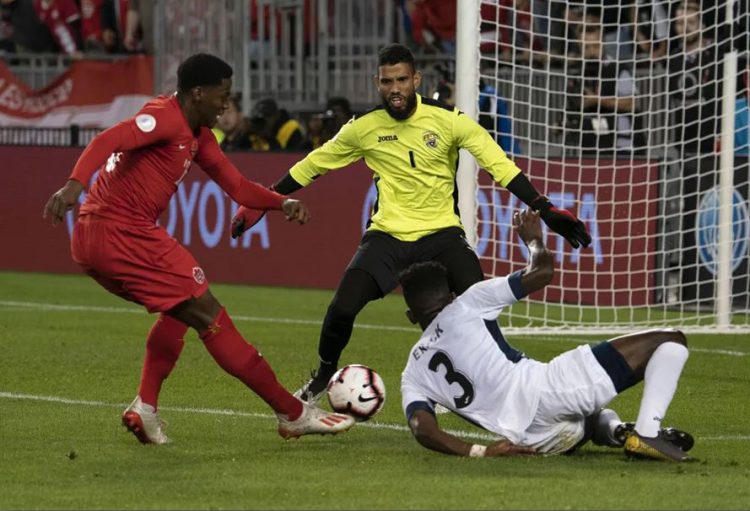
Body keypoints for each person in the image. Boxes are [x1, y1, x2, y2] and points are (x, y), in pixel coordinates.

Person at [231, 43, 591, 404]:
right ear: (377, 83)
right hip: (388, 237)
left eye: (402, 79)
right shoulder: (364, 128)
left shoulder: (450, 120)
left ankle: (503, 379)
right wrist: (268, 200)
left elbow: (499, 165)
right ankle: (323, 375)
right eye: (387, 81)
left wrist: (544, 209)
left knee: (479, 309)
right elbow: (315, 163)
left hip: (443, 235)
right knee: (341, 309)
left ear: (416, 79)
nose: (395, 88)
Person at [42, 53, 355, 445]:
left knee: (179, 311)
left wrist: (281, 202)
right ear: (196, 94)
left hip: (94, 239)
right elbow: (108, 139)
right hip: (122, 232)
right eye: (221, 96)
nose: (226, 105)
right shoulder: (165, 116)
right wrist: (73, 184)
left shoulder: (199, 136)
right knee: (211, 316)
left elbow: (237, 186)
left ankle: (146, 408)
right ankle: (292, 413)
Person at [398, 209, 693, 461]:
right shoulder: (468, 302)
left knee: (590, 414)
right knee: (671, 340)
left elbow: (422, 427)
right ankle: (647, 434)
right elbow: (541, 272)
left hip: (530, 440)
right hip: (545, 392)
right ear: (451, 295)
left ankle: (617, 431)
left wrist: (481, 451)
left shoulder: (413, 371)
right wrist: (533, 239)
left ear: (413, 317)